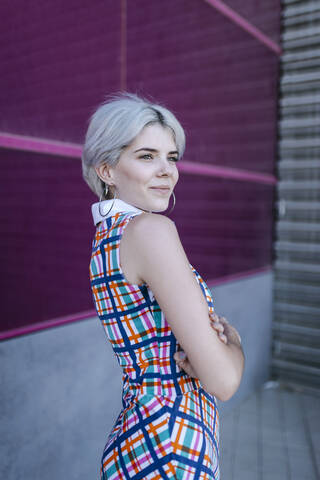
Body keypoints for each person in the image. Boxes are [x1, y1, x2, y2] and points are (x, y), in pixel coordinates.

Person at [82, 92, 245, 479]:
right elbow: (224, 381)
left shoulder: (108, 237)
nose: (166, 170)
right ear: (106, 169)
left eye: (171, 157)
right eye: (146, 156)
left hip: (139, 437)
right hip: (173, 445)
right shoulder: (151, 231)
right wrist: (234, 343)